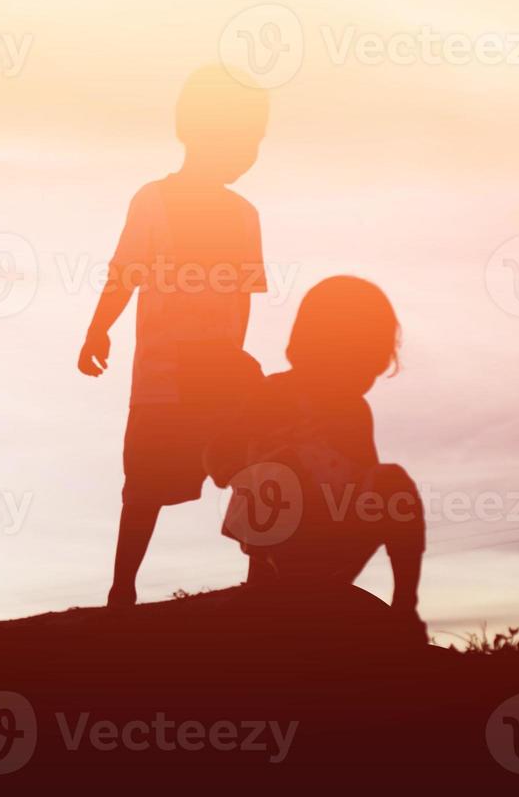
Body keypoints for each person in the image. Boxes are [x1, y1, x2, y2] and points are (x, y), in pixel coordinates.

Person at [78, 65, 271, 608]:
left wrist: (235, 362)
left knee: (256, 466)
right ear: (197, 131)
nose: (250, 150)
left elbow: (244, 296)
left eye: (257, 140)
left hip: (222, 372)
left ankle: (262, 579)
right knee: (142, 486)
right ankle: (123, 591)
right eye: (244, 137)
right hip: (164, 376)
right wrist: (98, 329)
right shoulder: (153, 201)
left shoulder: (244, 215)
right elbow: (124, 271)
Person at [207, 277, 426, 636]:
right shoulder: (272, 393)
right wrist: (240, 461)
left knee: (392, 480)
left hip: (332, 529)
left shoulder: (354, 412)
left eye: (372, 363)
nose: (365, 375)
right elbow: (219, 457)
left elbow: (368, 478)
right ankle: (267, 582)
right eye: (360, 359)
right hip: (276, 529)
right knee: (284, 469)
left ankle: (404, 605)